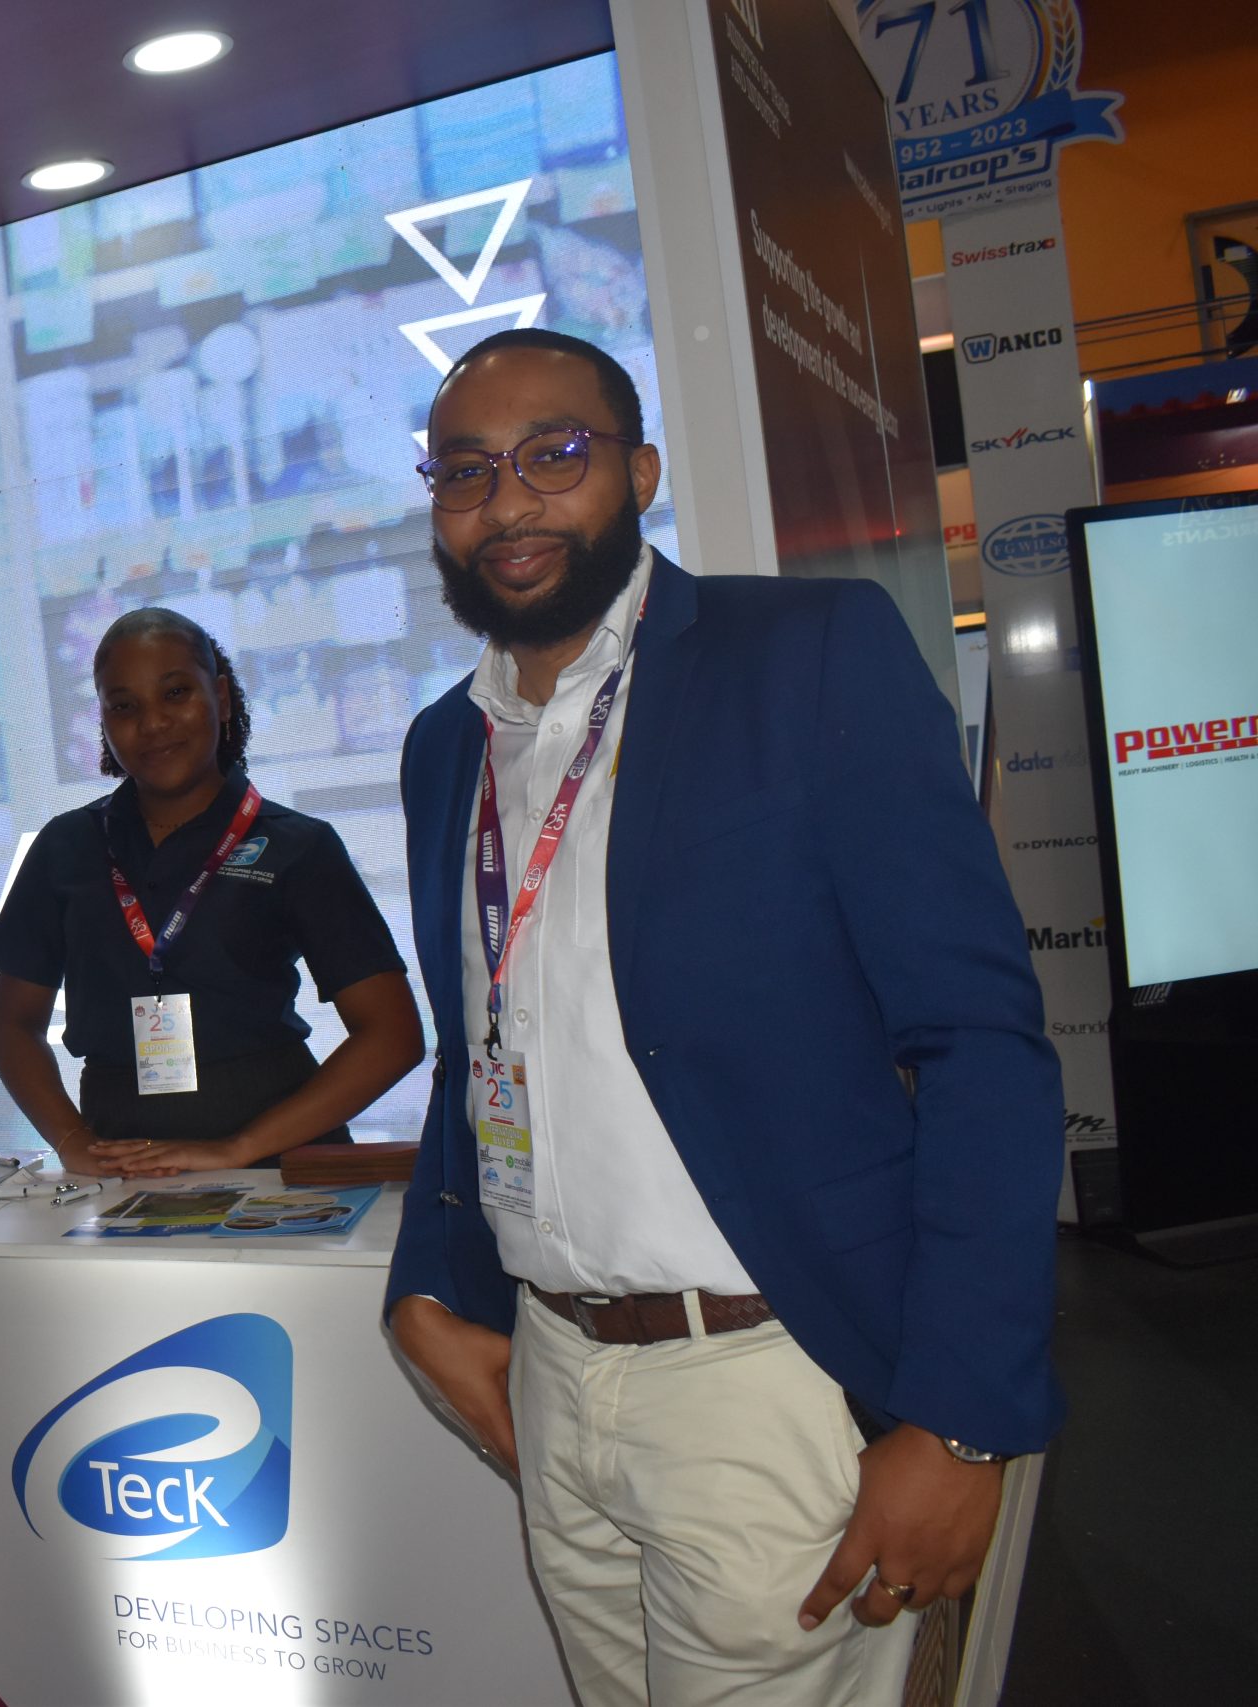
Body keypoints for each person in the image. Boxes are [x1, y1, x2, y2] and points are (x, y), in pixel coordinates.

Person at [383, 328, 1063, 1707]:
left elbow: (977, 1044)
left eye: (553, 455)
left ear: (639, 472)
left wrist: (961, 1418)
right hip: (554, 1373)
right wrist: (426, 1281)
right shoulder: (445, 743)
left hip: (763, 1372)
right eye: (465, 471)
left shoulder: (805, 656)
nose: (507, 503)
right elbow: (482, 1048)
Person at [0, 608, 425, 1178]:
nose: (153, 723)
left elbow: (393, 1035)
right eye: (124, 706)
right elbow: (13, 1025)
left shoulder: (298, 845)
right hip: (122, 1166)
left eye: (176, 693)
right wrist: (72, 1141)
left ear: (220, 696)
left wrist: (237, 1148)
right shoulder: (65, 846)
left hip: (275, 1165)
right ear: (103, 721)